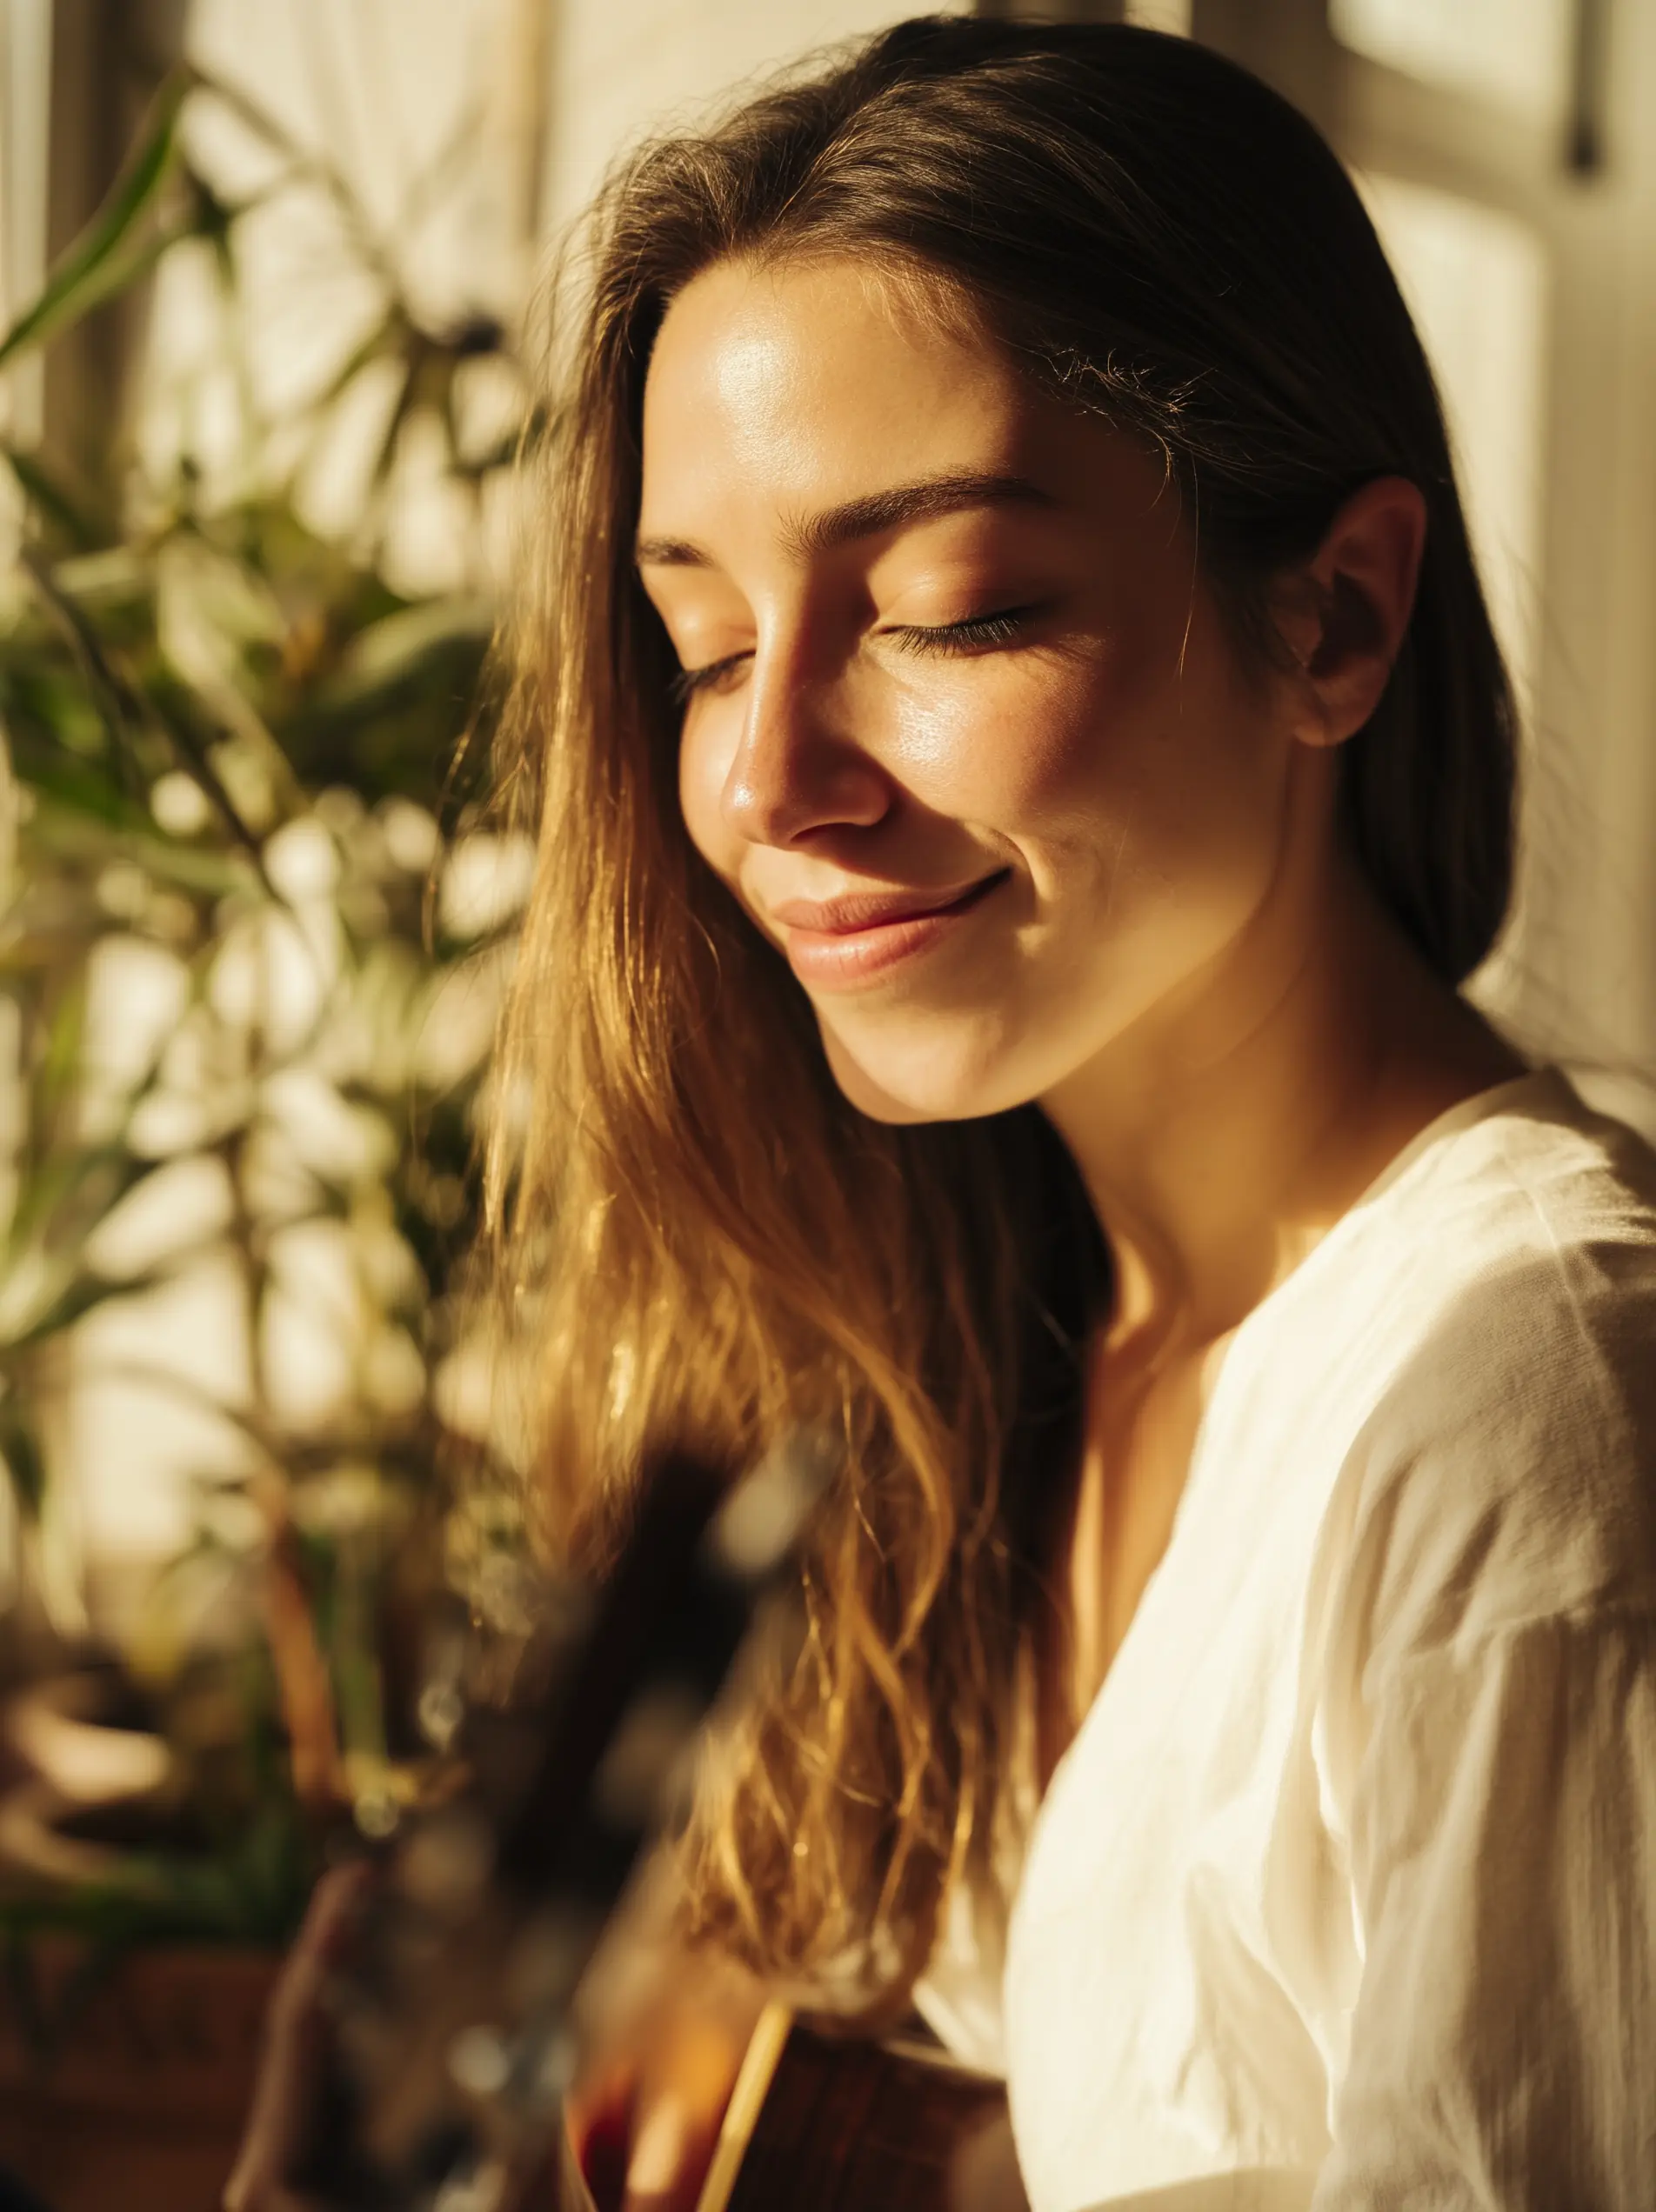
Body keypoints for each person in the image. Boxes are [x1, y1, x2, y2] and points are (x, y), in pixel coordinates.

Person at [231, 17, 1656, 2211]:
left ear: (1336, 618)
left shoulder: (1519, 1417)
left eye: (947, 612)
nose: (769, 776)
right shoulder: (964, 1375)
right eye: (702, 645)